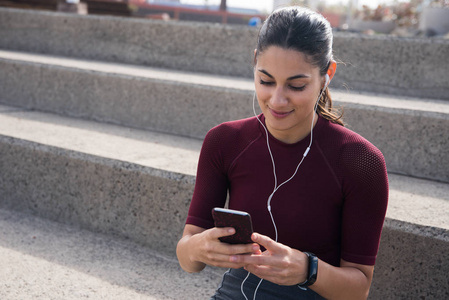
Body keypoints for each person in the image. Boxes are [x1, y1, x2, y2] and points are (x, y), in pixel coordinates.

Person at [176, 6, 388, 300]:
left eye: (296, 85)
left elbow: (358, 289)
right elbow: (188, 258)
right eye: (266, 81)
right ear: (254, 63)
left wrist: (307, 269)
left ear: (327, 75)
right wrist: (198, 247)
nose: (276, 100)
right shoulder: (224, 141)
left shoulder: (359, 161)